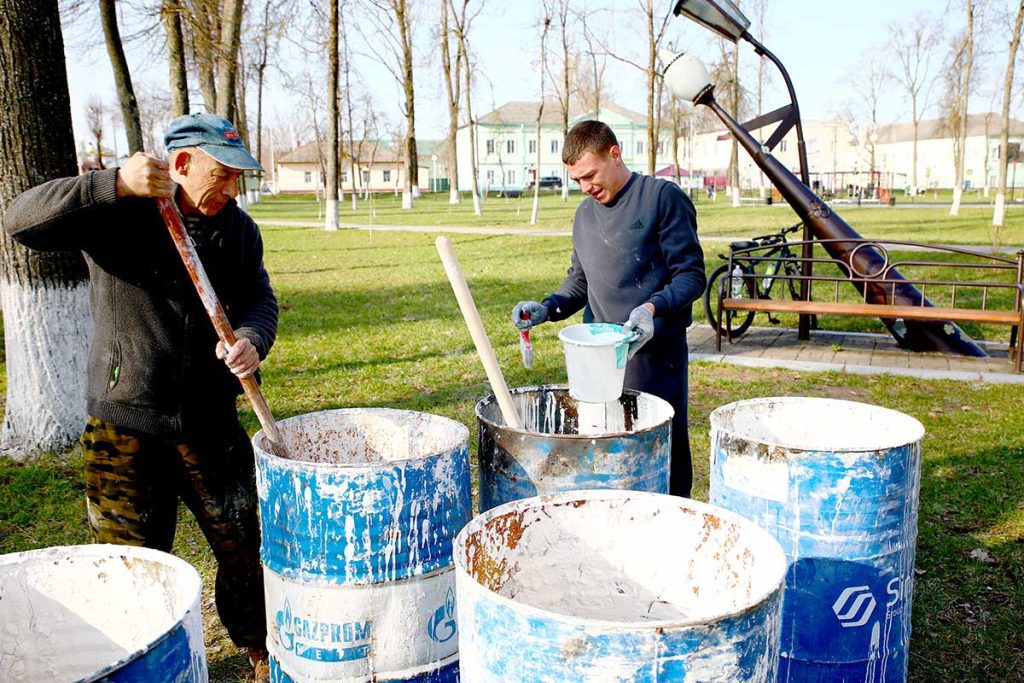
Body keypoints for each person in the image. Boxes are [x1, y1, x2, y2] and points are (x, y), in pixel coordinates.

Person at [4, 113, 277, 682]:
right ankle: (143, 663)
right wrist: (113, 184)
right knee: (127, 565)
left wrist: (252, 339)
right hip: (123, 422)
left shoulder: (238, 229)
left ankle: (261, 649)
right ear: (181, 164)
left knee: (244, 547)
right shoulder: (119, 214)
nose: (231, 188)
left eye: (237, 177)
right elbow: (19, 221)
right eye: (221, 174)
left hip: (210, 422)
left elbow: (258, 298)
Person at [513, 120, 705, 497]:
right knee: (607, 459)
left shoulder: (661, 198)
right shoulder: (584, 215)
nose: (585, 188)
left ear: (614, 154)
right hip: (598, 362)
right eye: (577, 181)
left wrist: (651, 308)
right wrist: (547, 307)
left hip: (653, 357)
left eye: (589, 175)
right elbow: (580, 282)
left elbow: (691, 275)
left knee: (660, 456)